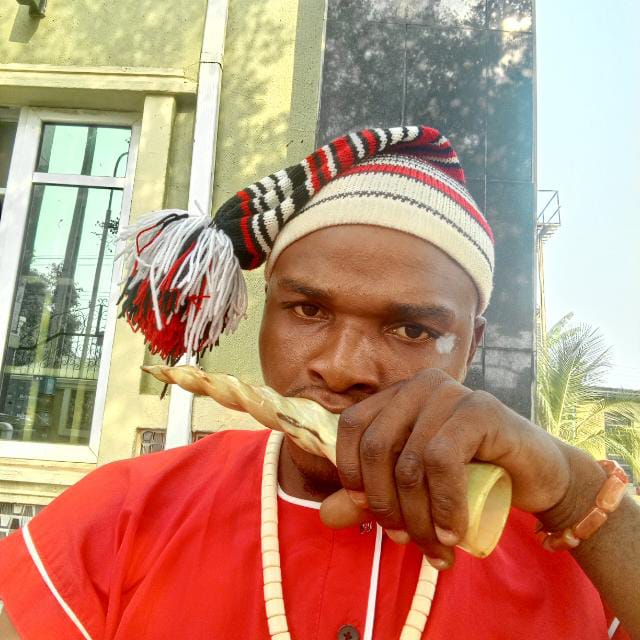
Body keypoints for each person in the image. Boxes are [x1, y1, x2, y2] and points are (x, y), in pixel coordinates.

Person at [0, 126, 638, 640]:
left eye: (412, 329)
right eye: (308, 310)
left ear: (471, 344)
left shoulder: (579, 548)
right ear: (267, 310)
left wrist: (577, 492)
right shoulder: (126, 515)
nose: (341, 366)